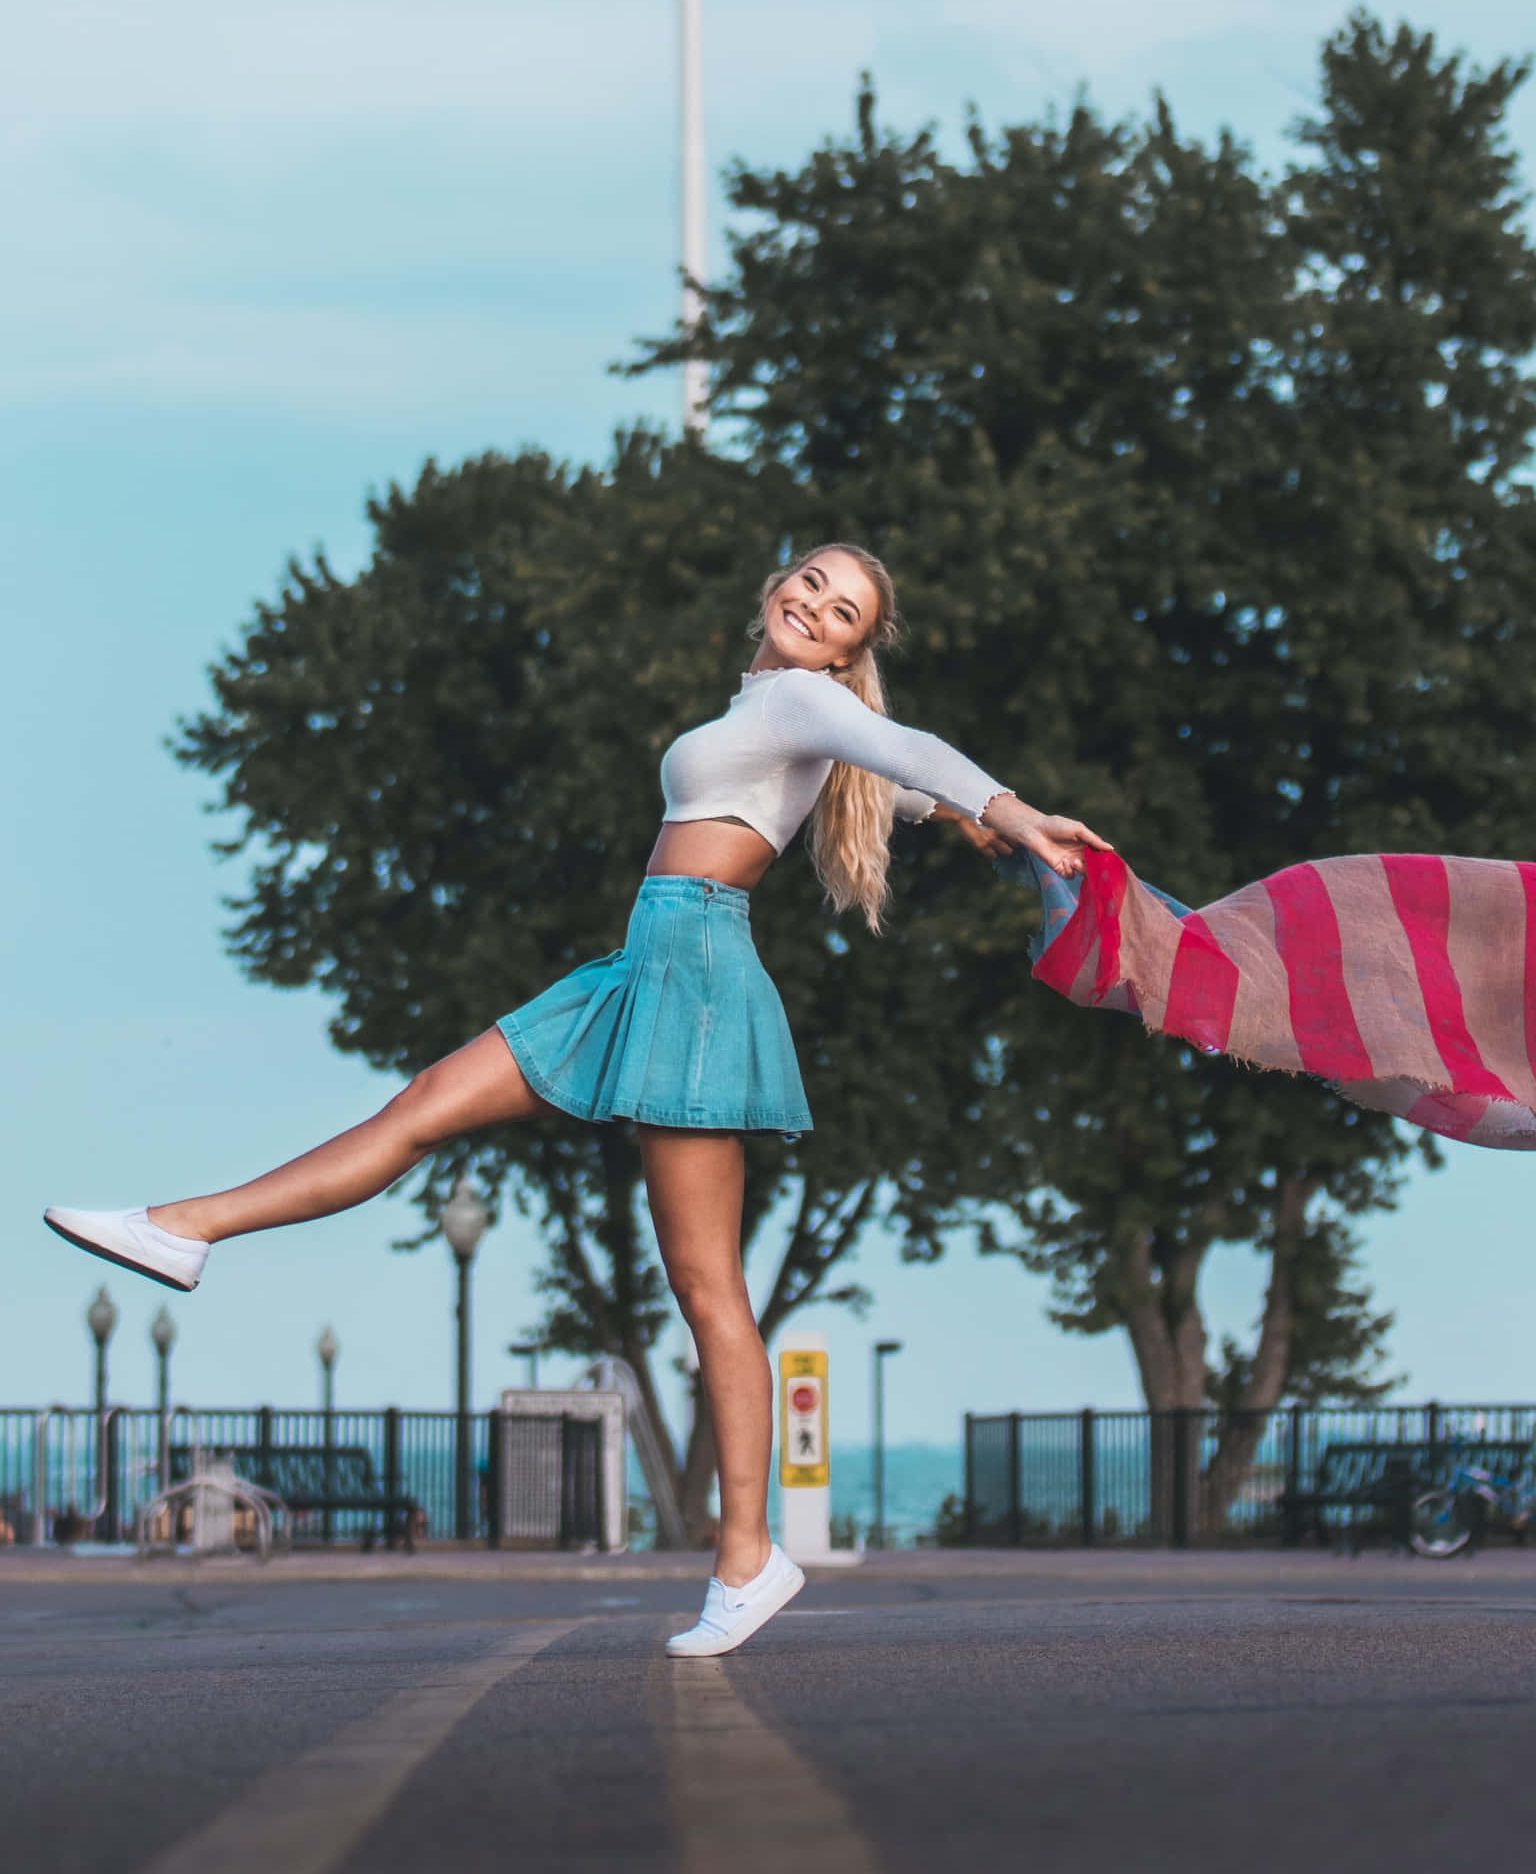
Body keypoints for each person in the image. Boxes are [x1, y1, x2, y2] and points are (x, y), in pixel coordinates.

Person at [45, 544, 1110, 1655]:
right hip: (641, 962)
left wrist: (1012, 811)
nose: (813, 607)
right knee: (421, 1106)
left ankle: (749, 1560)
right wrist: (969, 822)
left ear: (849, 650)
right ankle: (183, 1229)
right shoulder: (769, 707)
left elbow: (904, 748)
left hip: (696, 972)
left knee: (707, 1288)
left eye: (841, 612)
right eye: (809, 584)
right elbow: (892, 783)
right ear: (775, 584)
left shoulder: (804, 699)